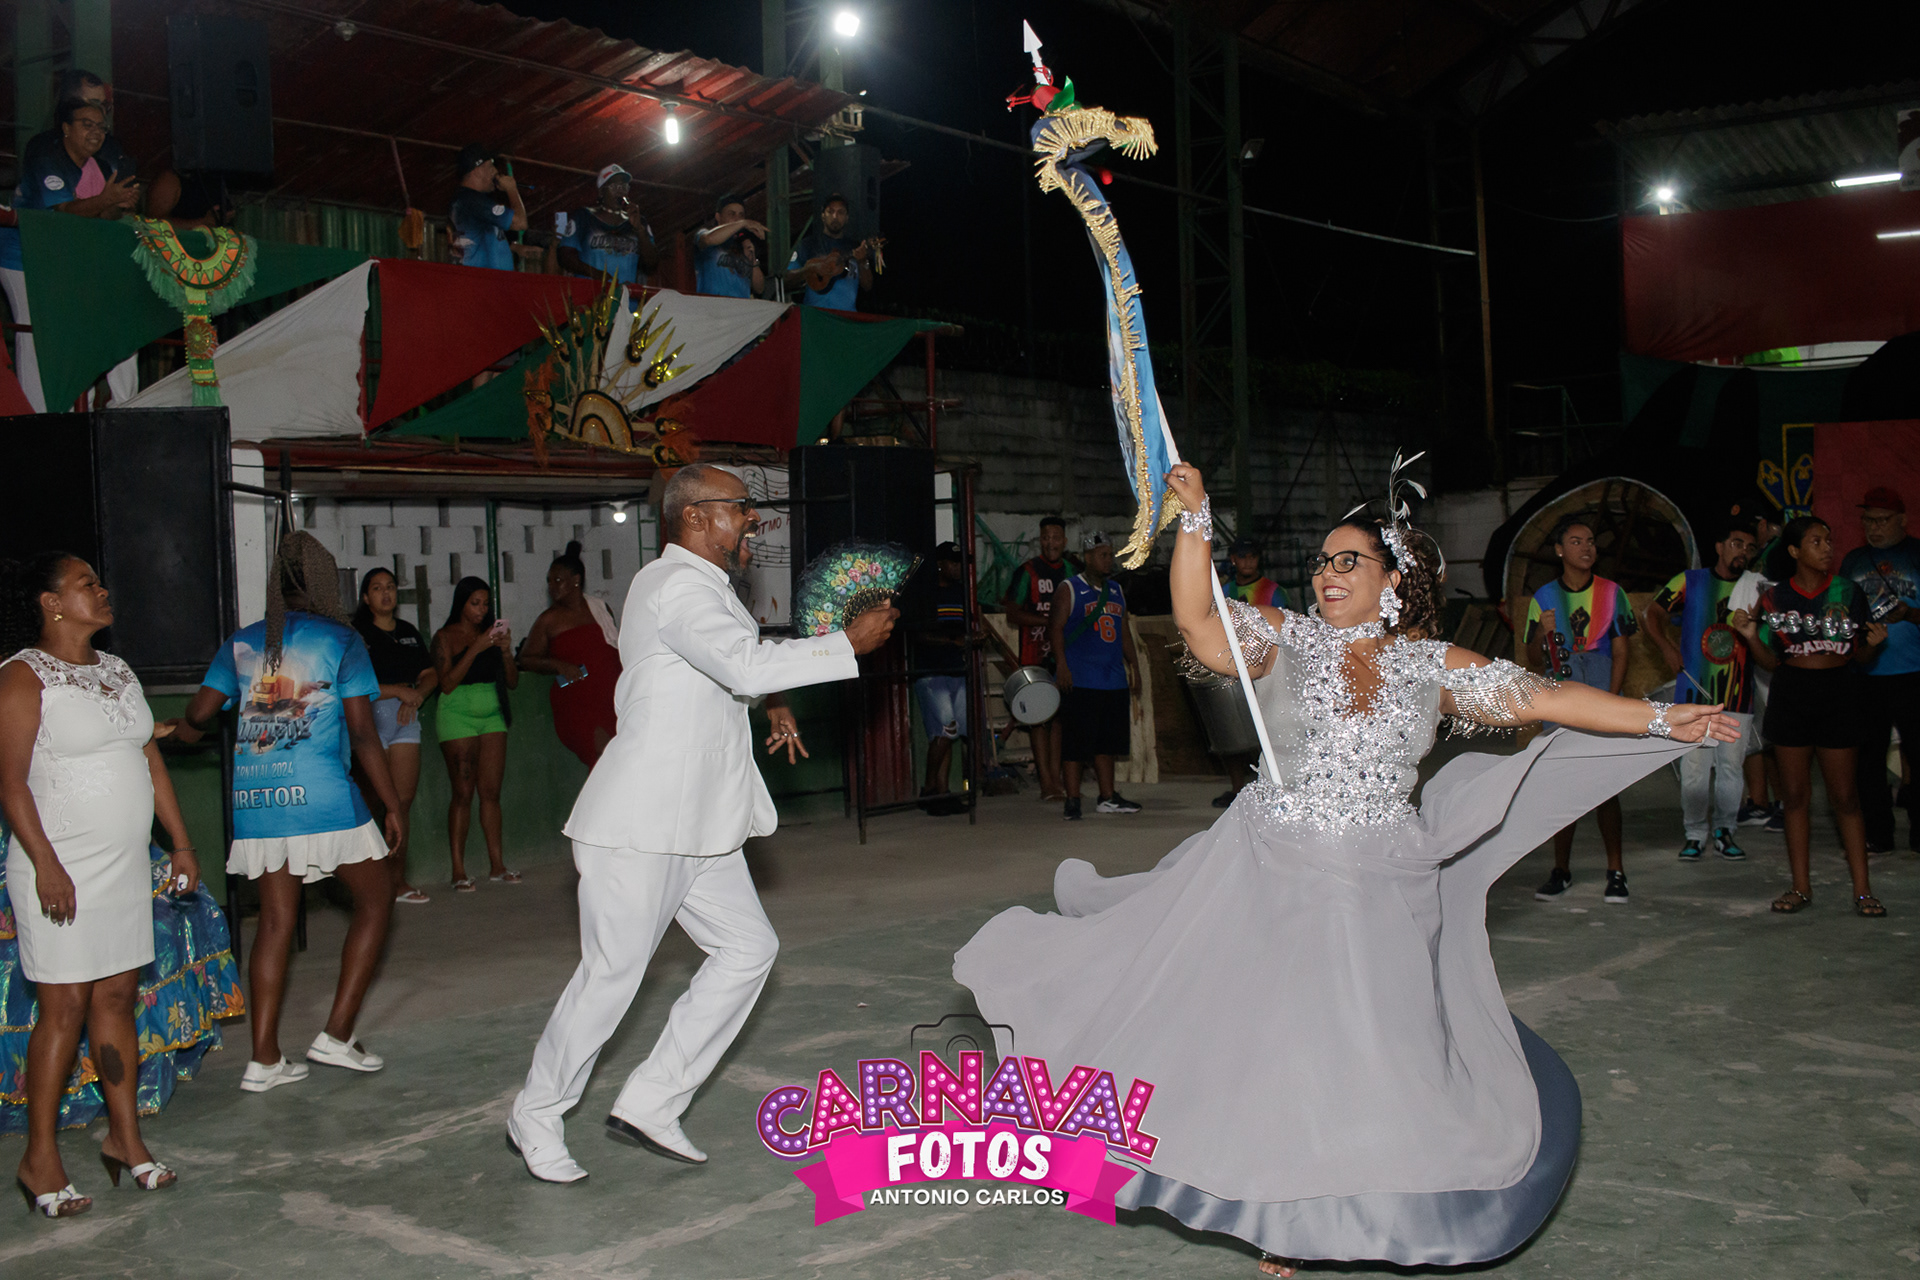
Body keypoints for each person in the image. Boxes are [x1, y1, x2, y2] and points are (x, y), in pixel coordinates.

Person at [954, 462, 1738, 1274]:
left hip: (1380, 881)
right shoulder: (1286, 637)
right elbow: (1196, 620)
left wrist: (1659, 717)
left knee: (1368, 1053)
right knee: (1282, 1042)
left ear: (1391, 581)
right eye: (1322, 561)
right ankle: (1281, 1214)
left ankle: (1355, 1194)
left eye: (1347, 560)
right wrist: (1196, 521)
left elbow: (1544, 698)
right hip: (1274, 865)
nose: (1327, 573)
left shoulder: (1431, 665)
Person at [507, 464, 897, 1183]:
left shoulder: (709, 590)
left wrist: (773, 702)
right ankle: (535, 1114)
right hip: (643, 822)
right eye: (741, 507)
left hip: (701, 824)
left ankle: (653, 1101)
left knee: (748, 950)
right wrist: (844, 644)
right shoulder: (674, 585)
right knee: (612, 976)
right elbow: (740, 664)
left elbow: (718, 671)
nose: (752, 519)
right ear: (694, 517)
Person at [0, 554, 202, 1214]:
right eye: (87, 583)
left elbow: (149, 759)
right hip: (59, 868)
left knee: (116, 997)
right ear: (52, 602)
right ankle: (39, 1158)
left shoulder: (117, 670)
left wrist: (180, 842)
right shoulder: (23, 676)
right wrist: (46, 864)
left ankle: (125, 1140)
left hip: (123, 868)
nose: (103, 589)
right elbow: (9, 782)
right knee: (63, 1007)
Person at [171, 532, 405, 1091]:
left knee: (275, 921)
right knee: (377, 899)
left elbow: (199, 714)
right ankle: (337, 1036)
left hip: (257, 800)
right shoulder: (342, 639)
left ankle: (264, 1059)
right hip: (321, 796)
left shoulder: (244, 642)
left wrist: (177, 734)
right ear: (325, 582)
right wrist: (392, 803)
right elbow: (362, 733)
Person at [1732, 516, 1888, 917]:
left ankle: (1863, 890)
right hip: (1792, 695)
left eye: (1829, 540)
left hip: (1839, 693)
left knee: (1845, 797)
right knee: (1796, 797)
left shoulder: (1848, 592)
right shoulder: (1775, 597)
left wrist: (1874, 645)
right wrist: (1749, 636)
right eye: (1816, 541)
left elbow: (1861, 655)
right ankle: (1800, 887)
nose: (1827, 548)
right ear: (1794, 551)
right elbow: (1770, 662)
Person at [1, 72, 139, 411]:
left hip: (64, 256)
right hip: (22, 256)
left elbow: (101, 215)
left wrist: (118, 204)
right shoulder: (46, 155)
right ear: (66, 126)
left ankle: (110, 408)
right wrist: (106, 200)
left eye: (101, 125)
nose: (95, 132)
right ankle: (37, 419)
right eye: (86, 123)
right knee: (37, 333)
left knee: (108, 319)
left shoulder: (97, 165)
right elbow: (63, 213)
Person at [1524, 516, 1638, 904]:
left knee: (1607, 788)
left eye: (1590, 541)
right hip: (1560, 699)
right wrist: (1542, 633)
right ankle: (1561, 870)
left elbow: (1621, 652)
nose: (1586, 547)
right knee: (1564, 787)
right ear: (1559, 550)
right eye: (1575, 541)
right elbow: (1533, 660)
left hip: (1601, 693)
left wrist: (1612, 701)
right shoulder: (1542, 598)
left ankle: (1616, 871)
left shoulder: (1612, 593)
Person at [1644, 517, 1759, 861]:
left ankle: (1725, 831)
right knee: (1694, 770)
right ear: (1719, 547)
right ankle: (1694, 834)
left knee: (1730, 768)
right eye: (1736, 544)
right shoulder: (1690, 581)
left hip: (1738, 692)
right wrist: (1666, 647)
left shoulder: (1756, 587)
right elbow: (1652, 613)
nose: (1743, 552)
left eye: (1750, 547)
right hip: (1693, 692)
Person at [1840, 485, 1920, 853]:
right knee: (1868, 760)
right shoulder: (1854, 561)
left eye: (1883, 520)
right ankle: (1878, 834)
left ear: (1902, 520)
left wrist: (1910, 614)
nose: (1874, 527)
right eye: (1868, 520)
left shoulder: (1917, 554)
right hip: (1866, 675)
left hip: (1914, 672)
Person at [350, 568, 437, 905]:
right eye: (377, 588)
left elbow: (429, 674)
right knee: (372, 802)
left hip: (406, 716)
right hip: (371, 718)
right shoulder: (357, 634)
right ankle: (368, 884)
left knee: (400, 804)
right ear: (366, 597)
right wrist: (398, 691)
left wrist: (417, 695)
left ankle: (397, 881)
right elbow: (353, 684)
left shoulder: (408, 632)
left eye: (390, 587)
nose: (386, 593)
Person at [431, 577, 519, 890]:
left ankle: (498, 865)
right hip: (457, 714)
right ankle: (458, 870)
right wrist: (475, 648)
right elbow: (446, 683)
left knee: (491, 793)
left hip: (492, 713)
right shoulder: (444, 636)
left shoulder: (492, 636)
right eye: (474, 603)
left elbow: (512, 682)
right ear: (461, 603)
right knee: (463, 793)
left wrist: (505, 652)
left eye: (485, 604)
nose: (481, 610)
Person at [1050, 530, 1142, 820]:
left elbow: (1123, 632)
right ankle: (1072, 799)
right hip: (1081, 679)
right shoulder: (1070, 588)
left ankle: (1107, 796)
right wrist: (1062, 665)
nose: (1108, 560)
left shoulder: (1116, 590)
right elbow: (1056, 628)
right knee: (1075, 744)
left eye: (1110, 554)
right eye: (1102, 555)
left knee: (1107, 743)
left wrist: (1134, 666)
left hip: (1112, 679)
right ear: (1087, 557)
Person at [517, 543, 623, 769]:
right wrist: (558, 665)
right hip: (578, 701)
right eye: (549, 581)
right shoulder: (549, 619)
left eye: (558, 580)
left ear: (576, 580)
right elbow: (526, 659)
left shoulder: (600, 608)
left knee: (619, 760)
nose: (552, 586)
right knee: (602, 757)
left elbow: (613, 647)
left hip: (609, 696)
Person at [1212, 538, 1292, 806]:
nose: (1247, 562)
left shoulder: (1274, 592)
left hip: (1267, 670)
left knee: (1269, 730)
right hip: (1231, 668)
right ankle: (1237, 789)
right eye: (1242, 556)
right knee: (1230, 730)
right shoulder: (1224, 591)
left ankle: (1269, 786)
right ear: (1233, 559)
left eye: (1252, 556)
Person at [1002, 517, 1075, 801]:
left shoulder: (1072, 571)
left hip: (1064, 656)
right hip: (1034, 656)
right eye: (1045, 537)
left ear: (1064, 541)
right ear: (1039, 540)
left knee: (1059, 720)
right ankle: (1046, 782)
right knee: (1038, 719)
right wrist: (1048, 622)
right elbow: (1012, 613)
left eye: (1056, 538)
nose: (1050, 543)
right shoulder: (1028, 571)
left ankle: (1056, 780)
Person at [912, 542, 975, 816]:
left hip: (955, 669)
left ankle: (941, 791)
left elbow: (965, 629)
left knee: (951, 732)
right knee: (944, 731)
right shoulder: (927, 595)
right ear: (939, 564)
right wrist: (954, 641)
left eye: (960, 562)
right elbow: (918, 635)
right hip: (931, 672)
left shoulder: (961, 593)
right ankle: (928, 790)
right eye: (953, 562)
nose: (958, 567)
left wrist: (971, 638)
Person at [1732, 511, 1785, 831]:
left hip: (1775, 654)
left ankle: (1783, 803)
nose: (1746, 552)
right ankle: (1766, 802)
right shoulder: (1756, 569)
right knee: (1763, 737)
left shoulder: (1770, 561)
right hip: (1759, 654)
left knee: (1779, 737)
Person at [557, 164, 661, 288]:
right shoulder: (583, 217)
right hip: (591, 295)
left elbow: (651, 266)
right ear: (601, 191)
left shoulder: (639, 221)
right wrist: (595, 273)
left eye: (624, 187)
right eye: (614, 187)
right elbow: (565, 257)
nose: (620, 191)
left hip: (627, 298)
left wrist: (639, 229)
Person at [783, 193, 877, 310]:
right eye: (830, 211)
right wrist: (807, 270)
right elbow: (786, 280)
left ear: (847, 218)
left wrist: (863, 262)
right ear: (823, 215)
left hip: (846, 316)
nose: (835, 216)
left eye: (840, 212)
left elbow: (867, 286)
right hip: (814, 315)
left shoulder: (855, 247)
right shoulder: (807, 245)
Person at [448, 144, 528, 272]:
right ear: (477, 170)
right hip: (482, 280)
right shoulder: (472, 201)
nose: (495, 171)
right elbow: (520, 223)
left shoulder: (469, 201)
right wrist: (512, 189)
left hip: (487, 279)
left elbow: (477, 239)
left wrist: (512, 247)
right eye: (491, 166)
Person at [694, 197, 766, 298]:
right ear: (718, 217)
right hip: (713, 305)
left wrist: (752, 259)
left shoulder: (742, 244)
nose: (737, 219)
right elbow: (708, 239)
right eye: (732, 214)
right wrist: (743, 223)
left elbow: (760, 288)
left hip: (740, 306)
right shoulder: (705, 234)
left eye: (741, 215)